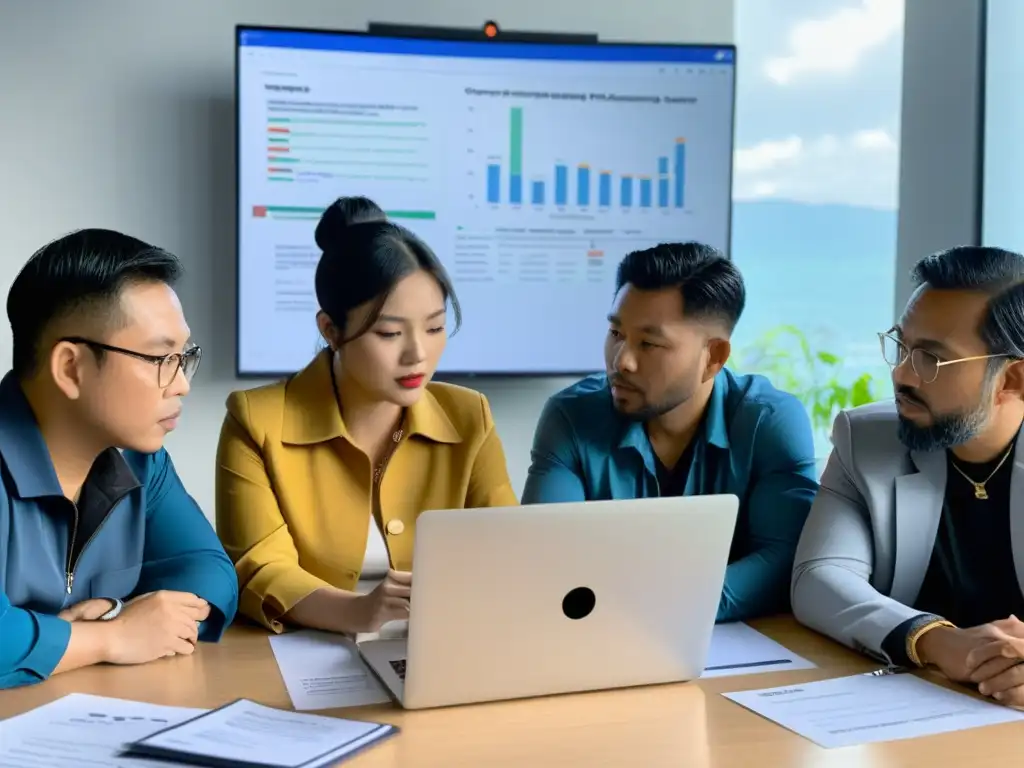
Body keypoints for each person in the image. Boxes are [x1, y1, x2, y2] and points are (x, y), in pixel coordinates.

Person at [216, 196, 517, 636]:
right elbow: (258, 565)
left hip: (444, 642)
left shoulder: (470, 417)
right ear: (330, 330)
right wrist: (358, 612)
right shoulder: (256, 420)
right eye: (390, 333)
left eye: (434, 327)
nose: (418, 354)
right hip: (307, 648)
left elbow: (507, 547)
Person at [521, 242, 819, 622]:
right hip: (602, 640)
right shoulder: (571, 418)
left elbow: (784, 559)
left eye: (649, 343)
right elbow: (544, 555)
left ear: (713, 357)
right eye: (616, 332)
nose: (621, 361)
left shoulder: (769, 421)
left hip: (744, 650)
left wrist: (664, 608)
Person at [0, 229, 239, 690]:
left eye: (183, 356)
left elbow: (209, 569)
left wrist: (115, 612)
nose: (181, 383)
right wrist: (113, 638)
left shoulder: (139, 461)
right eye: (158, 357)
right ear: (70, 367)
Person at [792, 245, 1024, 707]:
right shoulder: (867, 440)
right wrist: (935, 640)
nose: (902, 374)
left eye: (931, 359)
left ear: (1013, 380)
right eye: (902, 345)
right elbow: (819, 578)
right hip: (920, 701)